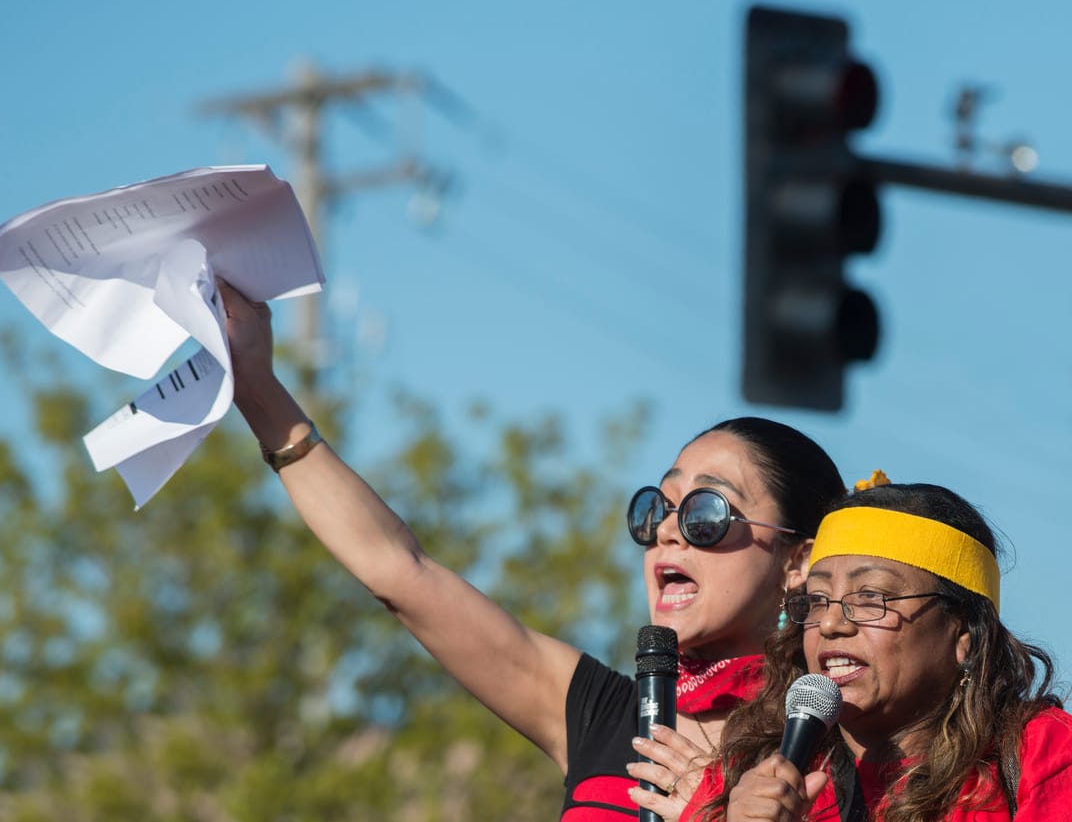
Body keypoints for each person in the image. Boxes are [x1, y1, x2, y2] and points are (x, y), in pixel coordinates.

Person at [217, 280, 846, 820]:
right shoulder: (600, 713)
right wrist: (256, 389)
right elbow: (401, 573)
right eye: (657, 506)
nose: (666, 530)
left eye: (707, 512)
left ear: (797, 561)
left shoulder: (846, 745)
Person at [675, 479, 1072, 821]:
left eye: (872, 597)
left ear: (963, 631)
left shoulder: (1044, 754)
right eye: (816, 600)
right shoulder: (748, 779)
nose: (830, 624)